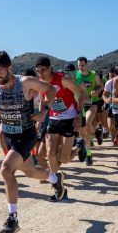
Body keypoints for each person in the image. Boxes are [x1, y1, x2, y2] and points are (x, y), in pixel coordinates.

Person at [0, 51, 65, 233]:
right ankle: (56, 179)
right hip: (9, 135)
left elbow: (51, 90)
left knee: (6, 170)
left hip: (26, 134)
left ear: (9, 68)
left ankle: (12, 218)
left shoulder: (25, 82)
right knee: (31, 171)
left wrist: (45, 111)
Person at [35, 56, 87, 189]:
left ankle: (79, 147)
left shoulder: (63, 80)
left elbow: (81, 94)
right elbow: (43, 99)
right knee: (50, 153)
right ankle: (57, 182)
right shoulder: (40, 82)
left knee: (64, 159)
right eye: (38, 71)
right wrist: (41, 117)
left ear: (50, 68)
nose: (41, 73)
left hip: (69, 118)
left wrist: (79, 114)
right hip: (54, 119)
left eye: (43, 70)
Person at [75, 57, 104, 165]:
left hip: (92, 103)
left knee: (85, 124)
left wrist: (96, 91)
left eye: (82, 65)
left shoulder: (93, 75)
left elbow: (101, 85)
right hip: (80, 104)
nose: (81, 67)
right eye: (79, 65)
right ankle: (89, 153)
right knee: (84, 130)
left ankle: (94, 131)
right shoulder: (75, 76)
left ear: (87, 65)